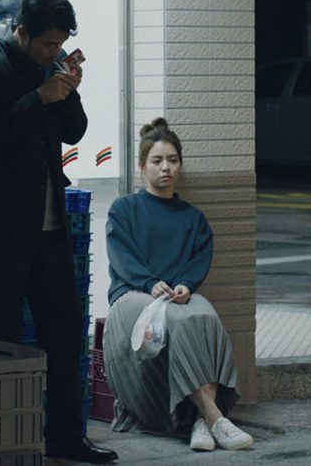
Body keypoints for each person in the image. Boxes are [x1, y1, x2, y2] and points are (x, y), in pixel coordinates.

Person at [0, 0, 117, 464]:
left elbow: (74, 131)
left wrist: (67, 87)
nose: (56, 51)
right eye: (49, 44)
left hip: (50, 230)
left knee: (65, 333)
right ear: (23, 32)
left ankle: (67, 437)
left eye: (61, 44)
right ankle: (3, 440)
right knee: (1, 339)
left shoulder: (52, 68)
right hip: (3, 229)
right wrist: (38, 96)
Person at [102, 118, 254, 452]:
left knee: (205, 316)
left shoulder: (193, 217)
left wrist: (185, 284)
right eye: (156, 161)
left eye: (172, 160)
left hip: (177, 296)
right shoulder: (124, 209)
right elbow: (122, 259)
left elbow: (198, 261)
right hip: (133, 297)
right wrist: (150, 283)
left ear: (181, 166)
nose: (165, 168)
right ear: (142, 167)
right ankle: (216, 418)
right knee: (181, 320)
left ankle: (200, 420)